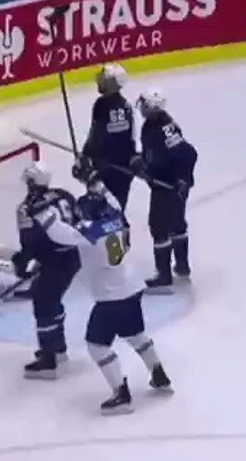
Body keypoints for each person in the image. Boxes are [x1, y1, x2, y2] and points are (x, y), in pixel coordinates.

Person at [69, 162, 173, 415]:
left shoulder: (86, 235)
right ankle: (159, 375)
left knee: (97, 346)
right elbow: (112, 202)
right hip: (130, 288)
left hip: (110, 298)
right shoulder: (116, 218)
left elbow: (59, 233)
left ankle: (121, 394)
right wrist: (95, 182)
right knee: (135, 334)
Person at [14, 162, 81, 379]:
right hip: (73, 257)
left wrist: (22, 264)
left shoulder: (27, 207)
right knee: (53, 299)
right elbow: (79, 222)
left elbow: (29, 242)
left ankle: (48, 360)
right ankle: (58, 348)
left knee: (43, 304)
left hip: (53, 262)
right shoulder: (64, 195)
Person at [132, 88, 198, 291]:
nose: (141, 108)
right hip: (178, 183)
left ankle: (164, 276)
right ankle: (182, 266)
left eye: (145, 104)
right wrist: (184, 179)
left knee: (158, 226)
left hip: (167, 185)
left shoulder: (153, 129)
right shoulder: (168, 122)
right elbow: (184, 153)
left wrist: (146, 169)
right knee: (177, 223)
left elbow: (164, 157)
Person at [78, 63, 136, 210]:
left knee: (100, 208)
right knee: (117, 206)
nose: (101, 81)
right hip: (123, 168)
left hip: (104, 167)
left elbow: (97, 134)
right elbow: (131, 138)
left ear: (114, 83)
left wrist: (85, 156)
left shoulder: (101, 105)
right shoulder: (126, 105)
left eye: (105, 79)